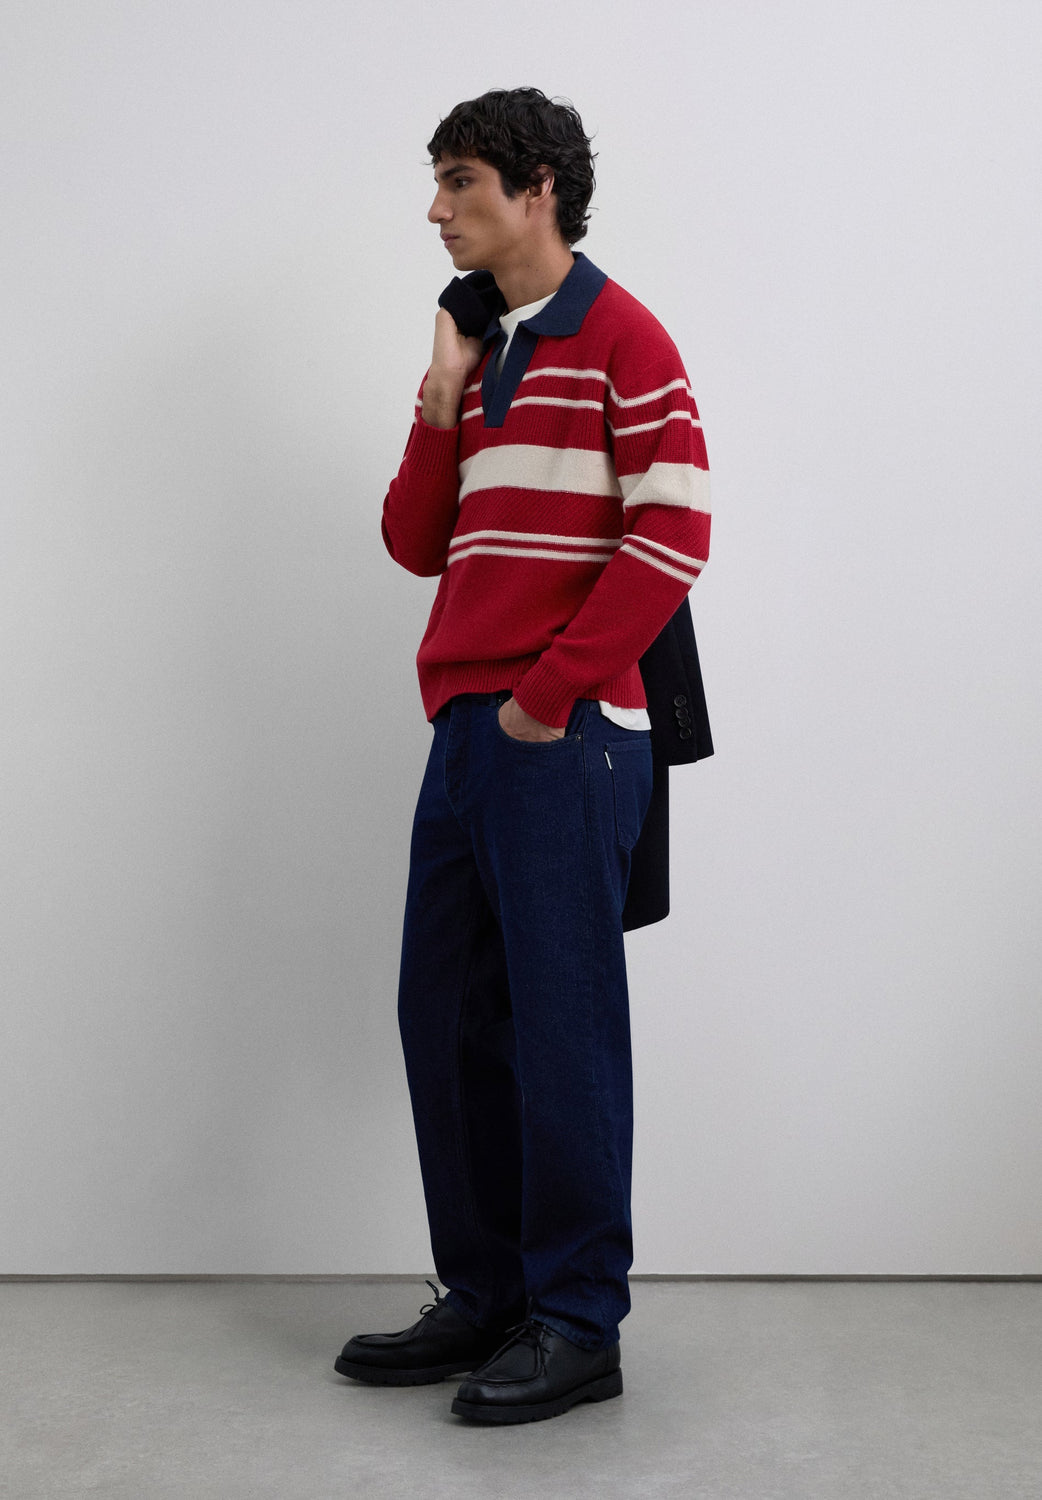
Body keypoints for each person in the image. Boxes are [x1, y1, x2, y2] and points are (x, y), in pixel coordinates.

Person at [335, 87, 710, 1425]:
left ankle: (577, 1321)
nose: (436, 209)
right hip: (468, 732)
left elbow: (674, 536)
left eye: (460, 181)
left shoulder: (624, 337)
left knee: (562, 1028)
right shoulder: (483, 352)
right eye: (439, 182)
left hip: (559, 735)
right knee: (441, 1016)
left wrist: (546, 698)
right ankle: (488, 1292)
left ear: (537, 188)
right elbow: (414, 543)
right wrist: (442, 397)